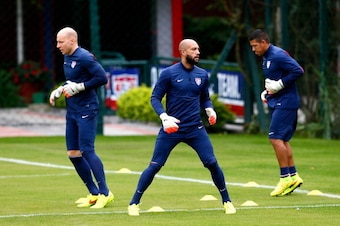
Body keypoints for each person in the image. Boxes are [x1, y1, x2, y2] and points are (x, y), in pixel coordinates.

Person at [127, 39, 236, 216]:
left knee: (211, 162)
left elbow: (204, 97)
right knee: (155, 165)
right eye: (194, 49)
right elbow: (155, 98)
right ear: (183, 52)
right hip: (172, 129)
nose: (198, 52)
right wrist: (164, 118)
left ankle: (227, 201)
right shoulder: (168, 74)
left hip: (195, 129)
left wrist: (210, 110)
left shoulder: (202, 74)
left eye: (198, 49)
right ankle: (134, 203)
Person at [49, 27, 113, 208]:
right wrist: (60, 89)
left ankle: (105, 193)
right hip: (72, 111)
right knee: (73, 153)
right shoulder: (67, 57)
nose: (57, 46)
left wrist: (80, 87)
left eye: (60, 42)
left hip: (87, 109)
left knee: (87, 150)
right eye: (57, 41)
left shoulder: (84, 57)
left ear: (71, 40)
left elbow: (101, 78)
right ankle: (93, 193)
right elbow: (72, 80)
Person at [248, 29, 304, 196]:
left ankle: (284, 178)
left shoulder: (277, 55)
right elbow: (276, 77)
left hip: (286, 103)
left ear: (264, 42)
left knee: (275, 138)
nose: (253, 50)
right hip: (280, 101)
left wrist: (280, 84)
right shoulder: (267, 57)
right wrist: (269, 92)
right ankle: (293, 176)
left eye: (255, 46)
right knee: (283, 139)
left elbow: (298, 70)